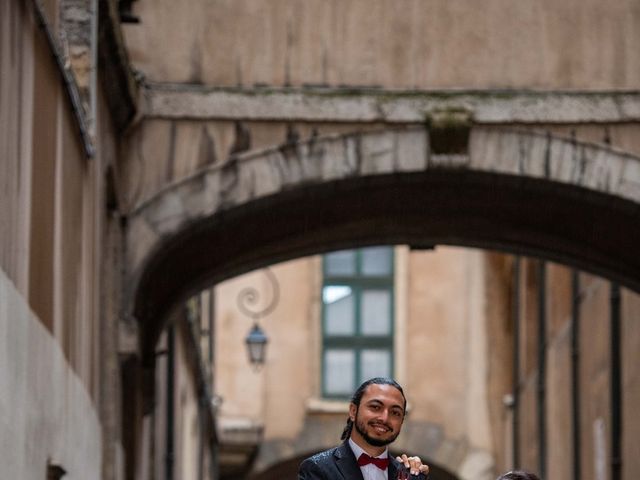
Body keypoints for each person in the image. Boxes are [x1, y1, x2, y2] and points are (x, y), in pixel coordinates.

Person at [298, 377, 430, 479]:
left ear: (401, 421)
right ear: (353, 411)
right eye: (375, 407)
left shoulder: (410, 474)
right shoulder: (317, 468)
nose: (384, 418)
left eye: (395, 412)